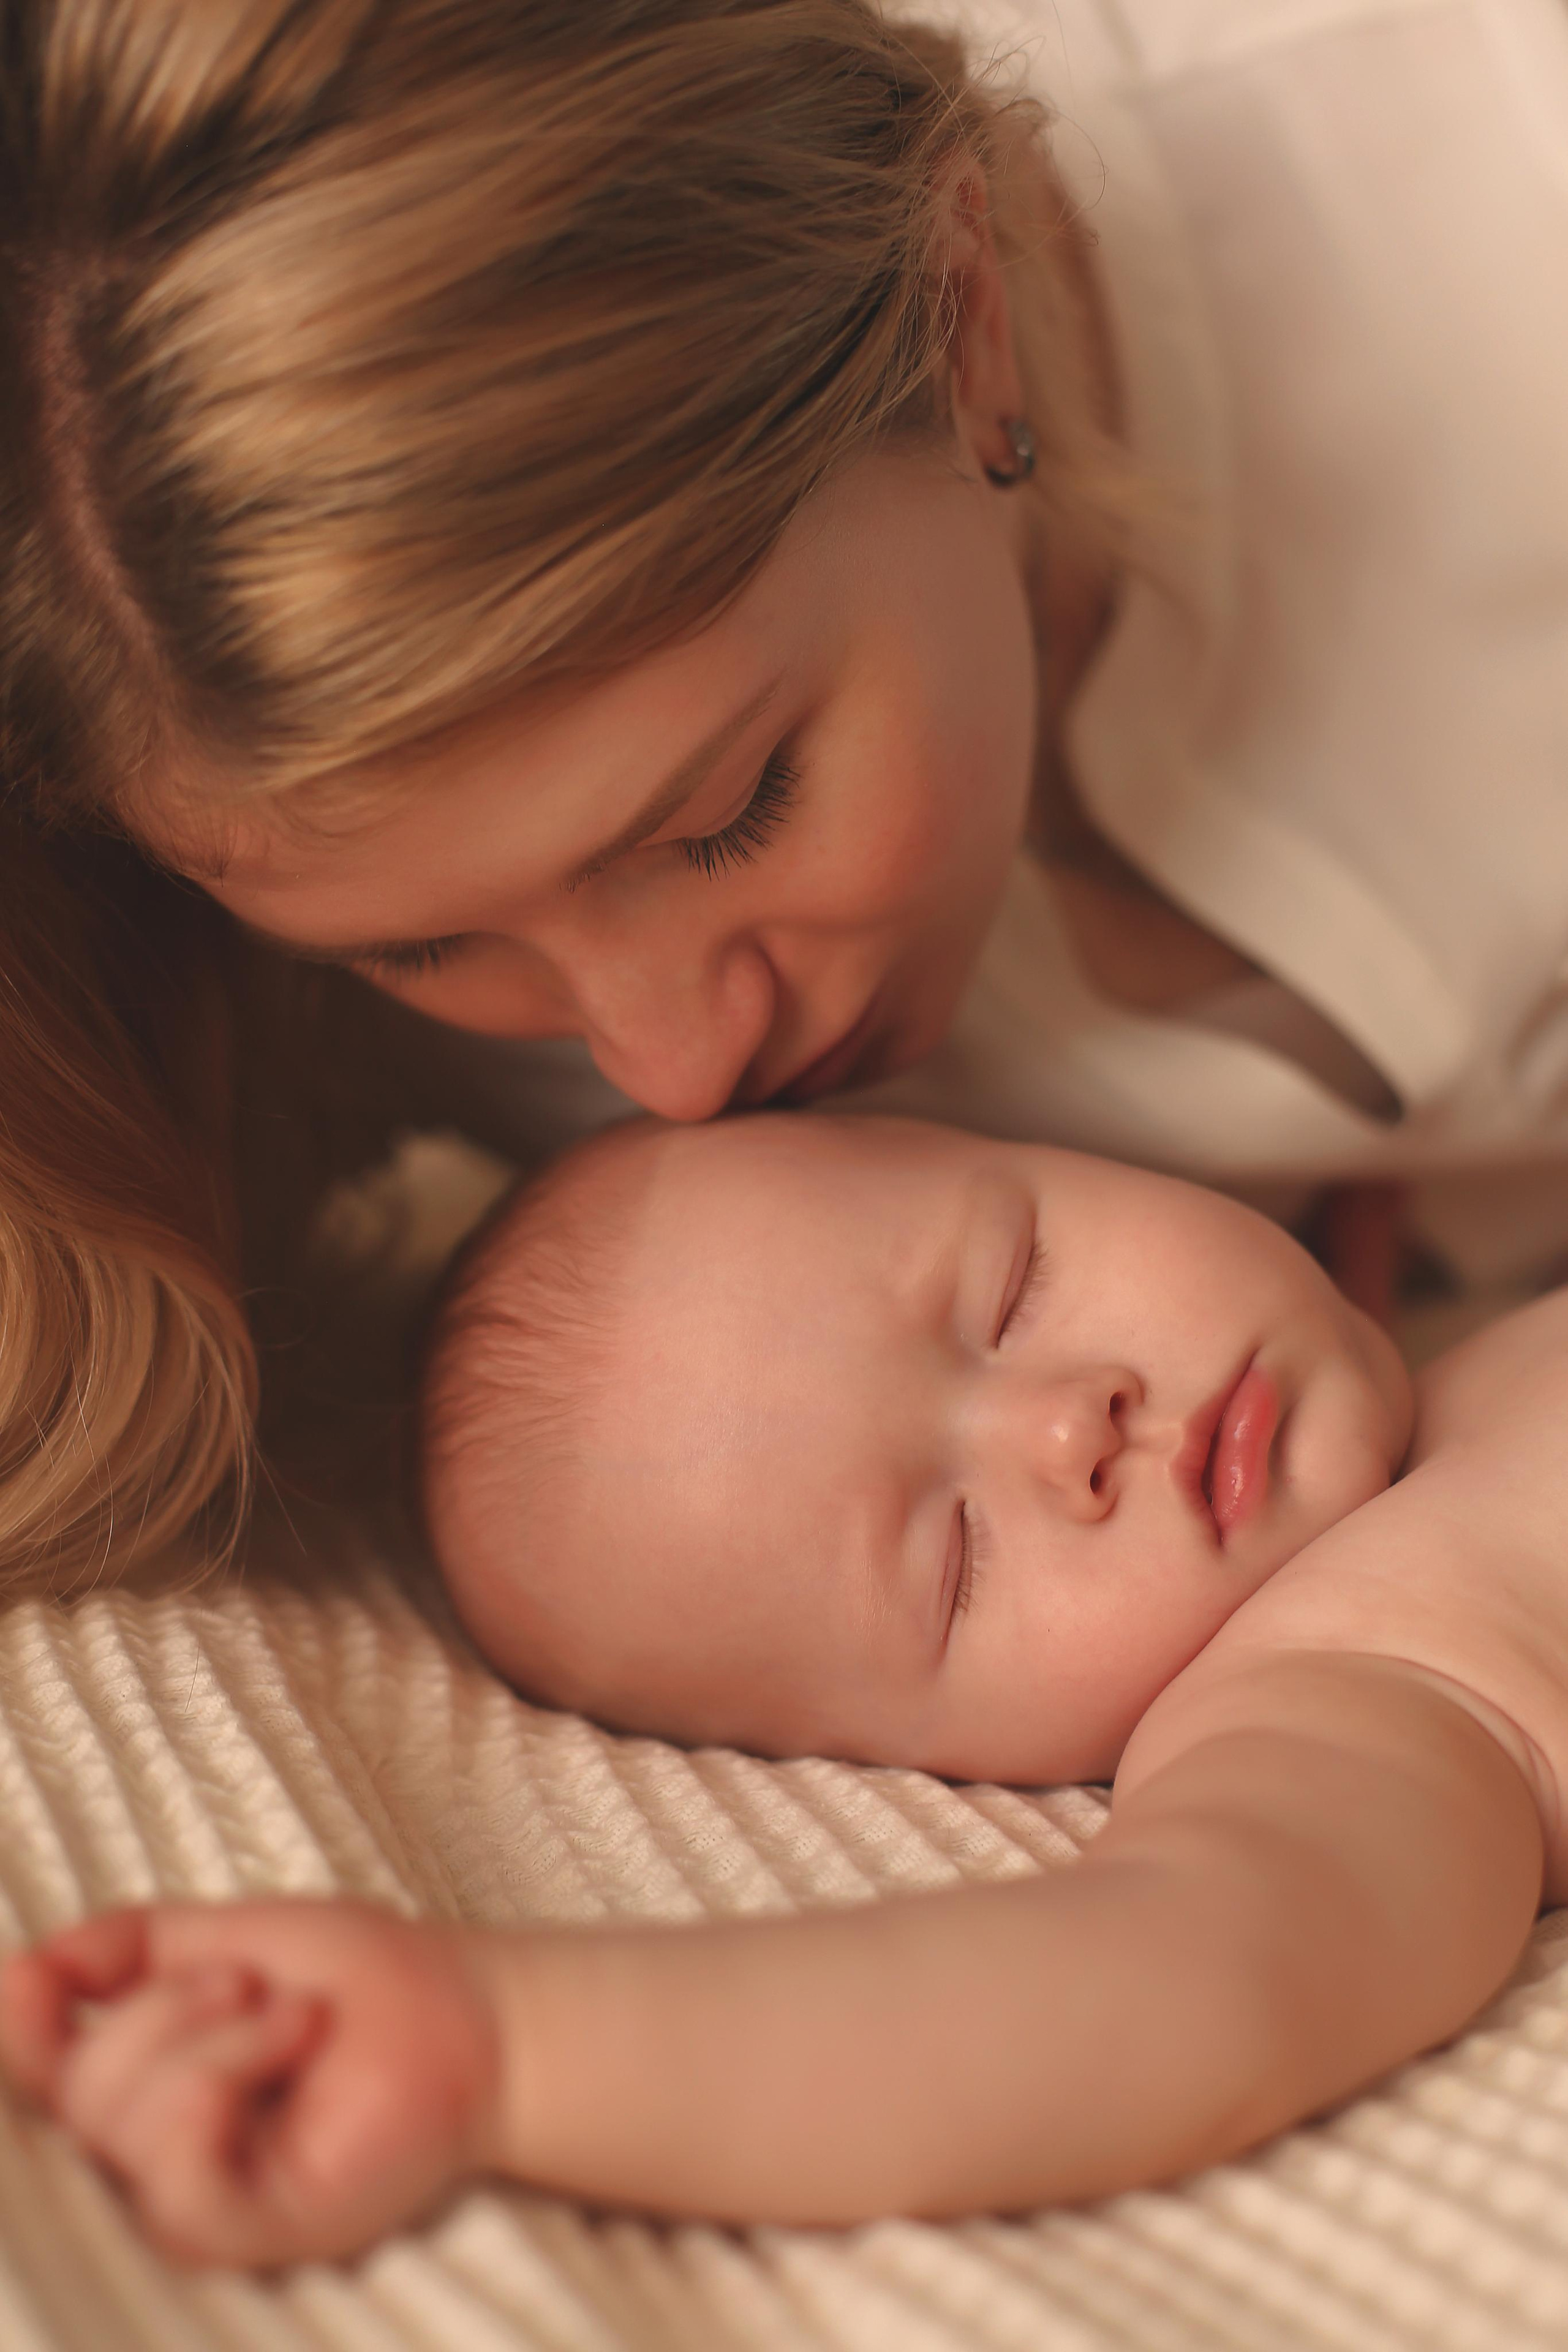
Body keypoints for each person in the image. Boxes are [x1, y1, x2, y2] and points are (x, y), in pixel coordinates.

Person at [5, 0, 1568, 1594]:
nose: (673, 1070)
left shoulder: (1500, 149)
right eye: (419, 950)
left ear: (964, 328)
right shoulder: (245, 961)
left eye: (733, 813)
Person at [2, 1110, 1559, 2267]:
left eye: (1011, 1286)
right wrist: (507, 2050)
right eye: (952, 1565)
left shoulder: (1455, 1335)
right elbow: (1180, 1978)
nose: (1066, 1428)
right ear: (941, 1767)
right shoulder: (1351, 1683)